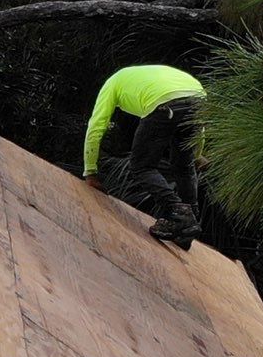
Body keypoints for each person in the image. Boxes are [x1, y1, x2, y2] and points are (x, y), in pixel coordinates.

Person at [82, 63, 207, 249]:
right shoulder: (142, 76)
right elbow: (200, 129)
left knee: (142, 166)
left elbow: (96, 127)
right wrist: (197, 154)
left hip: (164, 102)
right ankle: (189, 224)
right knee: (184, 166)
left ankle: (179, 212)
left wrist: (90, 171)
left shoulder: (112, 84)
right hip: (198, 98)